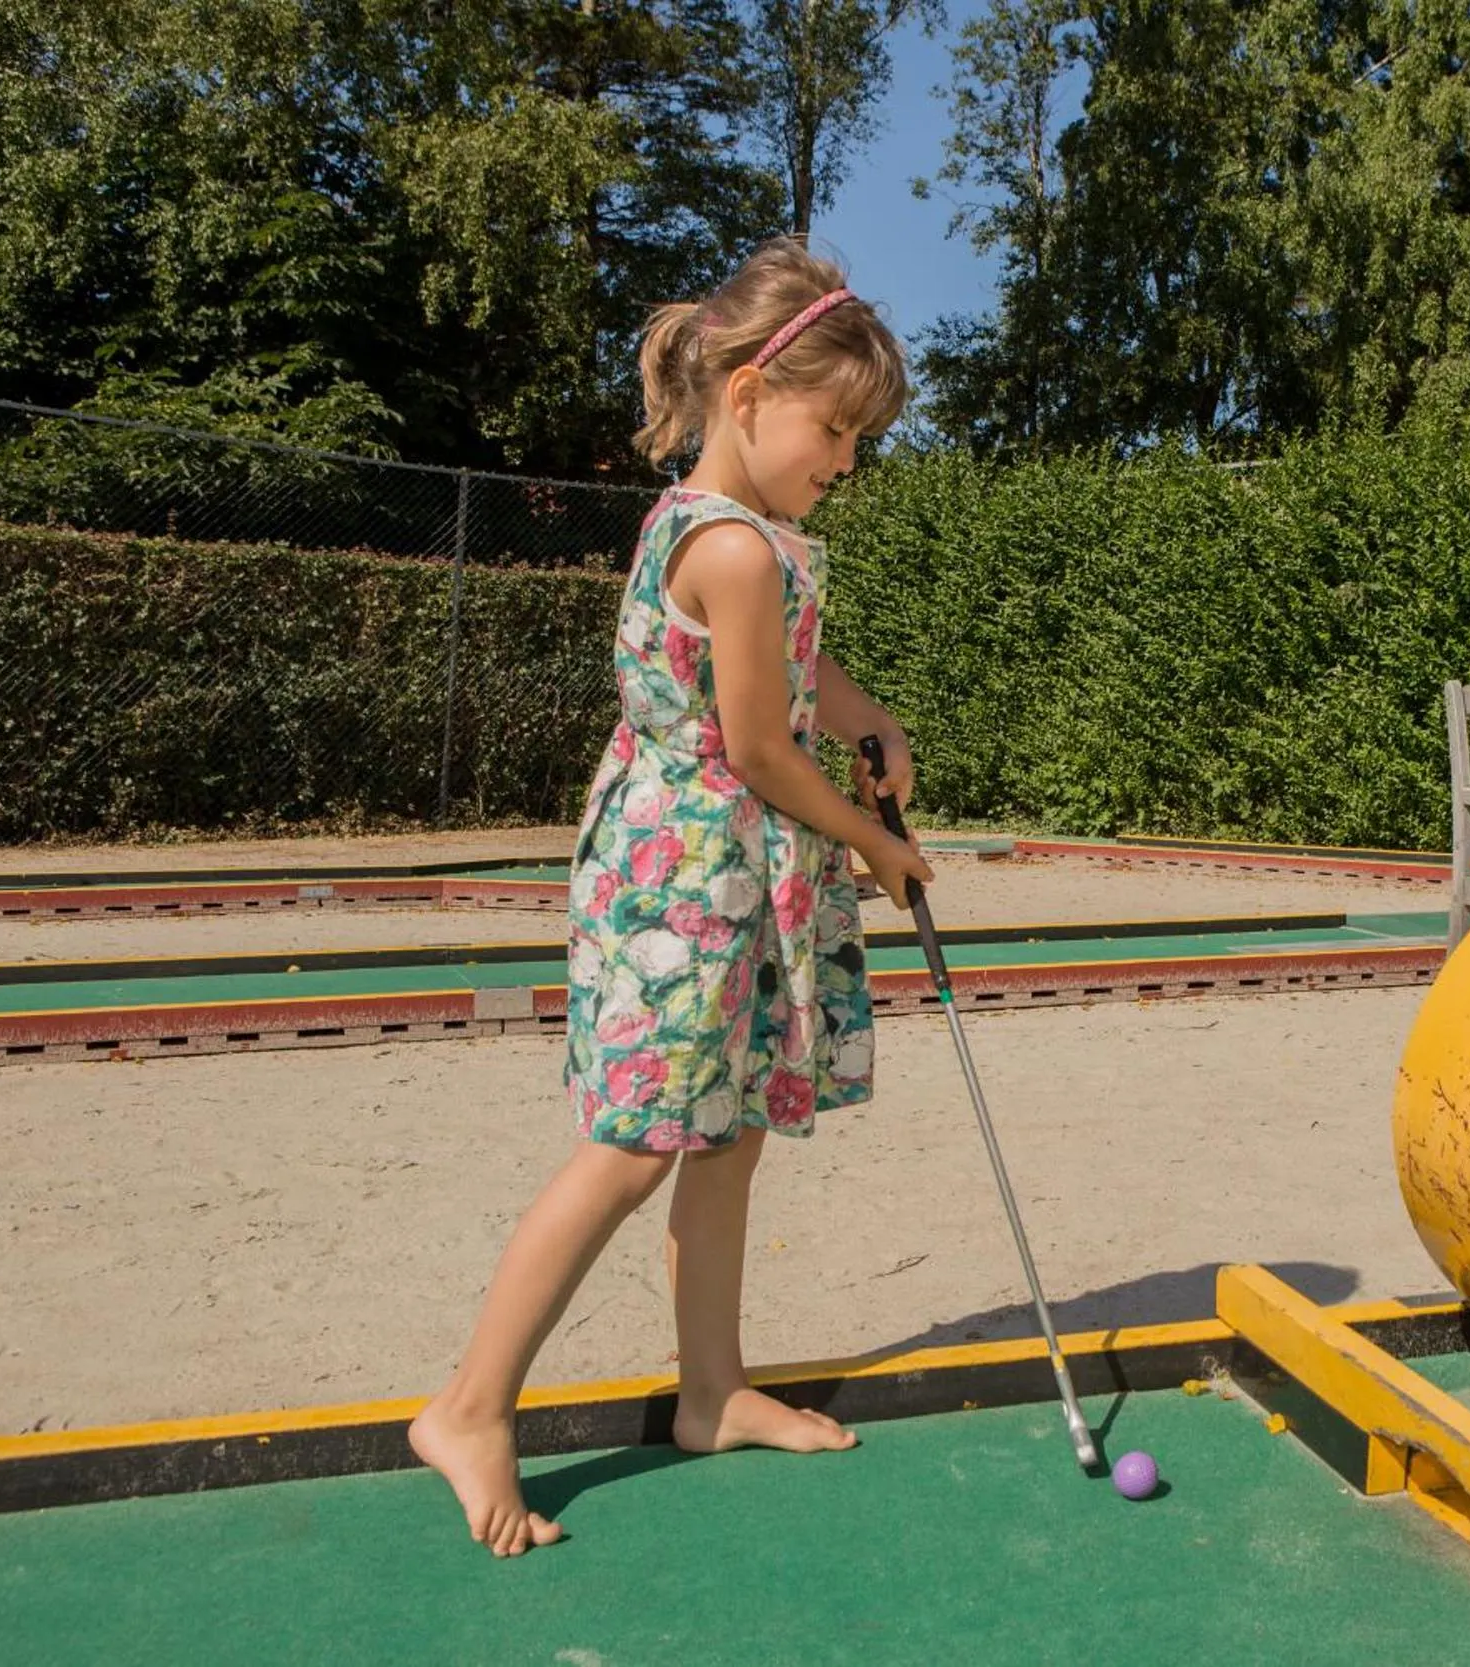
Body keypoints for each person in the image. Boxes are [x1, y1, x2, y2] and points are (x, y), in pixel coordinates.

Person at [409, 240, 936, 1557]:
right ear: (753, 394)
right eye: (837, 428)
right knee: (636, 1140)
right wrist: (876, 844)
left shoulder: (760, 538)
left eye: (861, 439)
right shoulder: (732, 549)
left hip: (728, 875)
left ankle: (713, 1390)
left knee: (729, 1126)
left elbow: (800, 690)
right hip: (685, 877)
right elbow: (759, 749)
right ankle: (469, 1404)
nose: (848, 461)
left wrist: (869, 716)